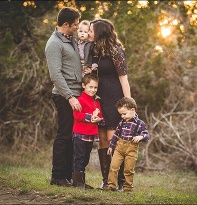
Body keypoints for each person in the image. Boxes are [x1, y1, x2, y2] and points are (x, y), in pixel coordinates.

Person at [87, 18, 129, 189]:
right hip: (99, 98)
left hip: (114, 97)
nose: (89, 33)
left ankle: (119, 182)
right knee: (102, 139)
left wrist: (128, 104)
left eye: (91, 30)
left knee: (114, 139)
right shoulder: (94, 49)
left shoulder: (116, 51)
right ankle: (106, 182)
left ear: (100, 32)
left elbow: (124, 79)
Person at [45, 7, 82, 187]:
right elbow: (55, 75)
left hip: (76, 94)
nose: (77, 27)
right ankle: (57, 177)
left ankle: (68, 177)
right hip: (64, 96)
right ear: (65, 24)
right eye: (75, 25)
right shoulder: (54, 44)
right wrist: (69, 96)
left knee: (72, 137)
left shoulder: (71, 40)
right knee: (64, 135)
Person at [103, 97, 151, 192]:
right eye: (121, 114)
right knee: (113, 167)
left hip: (131, 150)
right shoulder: (122, 122)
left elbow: (147, 135)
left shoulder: (140, 123)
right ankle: (111, 185)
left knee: (128, 170)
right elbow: (116, 134)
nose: (122, 116)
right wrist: (111, 146)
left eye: (124, 114)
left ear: (132, 110)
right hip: (119, 148)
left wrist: (140, 137)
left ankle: (128, 188)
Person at [71, 74, 105, 189]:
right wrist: (90, 117)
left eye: (95, 88)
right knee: (79, 157)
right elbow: (77, 115)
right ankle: (77, 182)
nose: (93, 90)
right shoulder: (80, 99)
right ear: (83, 86)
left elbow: (99, 115)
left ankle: (81, 182)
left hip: (90, 134)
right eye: (90, 87)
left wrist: (99, 119)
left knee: (85, 158)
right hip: (80, 134)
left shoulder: (96, 101)